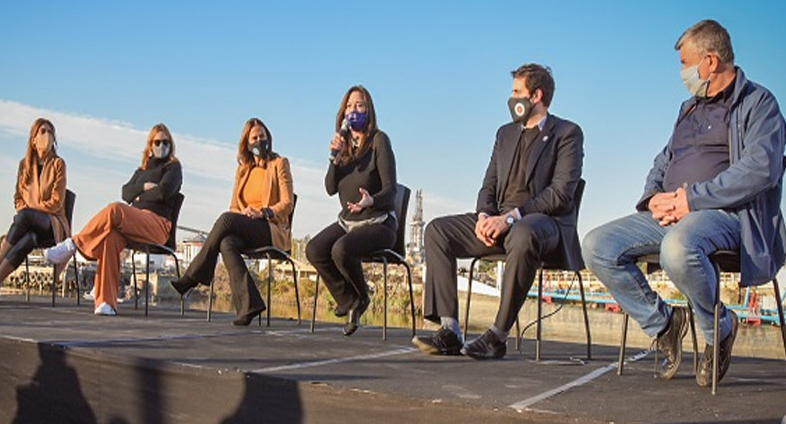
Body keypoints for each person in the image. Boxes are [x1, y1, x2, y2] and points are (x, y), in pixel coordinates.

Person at [583, 20, 786, 386]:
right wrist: (652, 198)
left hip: (727, 217)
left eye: (685, 63)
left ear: (710, 61)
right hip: (673, 211)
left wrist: (691, 200)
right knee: (597, 245)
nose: (682, 73)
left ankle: (719, 329)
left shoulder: (759, 104)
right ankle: (664, 323)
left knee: (677, 248)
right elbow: (665, 159)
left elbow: (761, 170)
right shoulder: (688, 108)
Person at [413, 64, 584, 359]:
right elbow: (488, 185)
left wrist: (510, 218)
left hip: (541, 225)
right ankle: (450, 330)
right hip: (499, 221)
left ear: (536, 95)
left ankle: (498, 335)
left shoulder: (567, 133)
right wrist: (483, 216)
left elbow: (560, 195)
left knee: (522, 233)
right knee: (437, 231)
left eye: (517, 92)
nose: (511, 98)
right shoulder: (504, 134)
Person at [44, 123, 182, 315]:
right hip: (133, 222)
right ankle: (106, 303)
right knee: (110, 238)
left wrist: (141, 196)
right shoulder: (141, 171)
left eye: (165, 142)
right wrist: (144, 188)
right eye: (157, 142)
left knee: (115, 209)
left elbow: (164, 191)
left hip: (157, 225)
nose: (162, 146)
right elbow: (126, 192)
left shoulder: (173, 167)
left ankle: (73, 244)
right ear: (150, 145)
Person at [170, 118, 294, 326]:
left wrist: (263, 212)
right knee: (226, 243)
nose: (259, 140)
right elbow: (234, 207)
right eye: (254, 138)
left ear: (268, 138)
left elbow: (287, 203)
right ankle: (249, 306)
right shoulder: (243, 170)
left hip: (269, 228)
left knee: (226, 220)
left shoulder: (279, 164)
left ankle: (193, 275)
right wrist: (244, 213)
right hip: (247, 225)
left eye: (262, 136)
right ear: (247, 143)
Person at [305, 85, 397, 336]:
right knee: (314, 249)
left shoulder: (379, 141)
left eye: (359, 105)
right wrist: (334, 158)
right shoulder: (343, 146)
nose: (353, 110)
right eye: (349, 105)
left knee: (341, 249)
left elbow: (391, 191)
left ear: (369, 110)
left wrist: (372, 201)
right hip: (348, 222)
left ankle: (361, 297)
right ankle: (350, 300)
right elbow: (329, 188)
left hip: (379, 222)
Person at [0, 118, 69, 303]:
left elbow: (56, 203)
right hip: (29, 226)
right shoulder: (24, 165)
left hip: (52, 223)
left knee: (24, 216)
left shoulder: (58, 164)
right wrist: (25, 210)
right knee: (28, 239)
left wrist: (30, 210)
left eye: (50, 132)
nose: (47, 135)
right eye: (42, 131)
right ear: (33, 139)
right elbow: (18, 198)